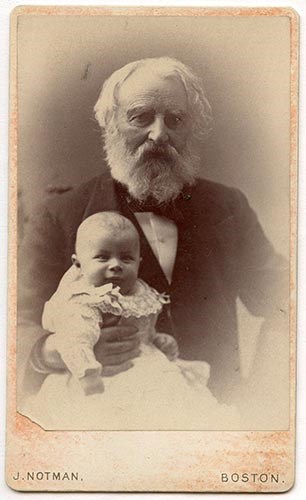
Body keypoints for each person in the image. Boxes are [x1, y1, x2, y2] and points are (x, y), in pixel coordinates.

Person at [18, 56, 288, 416]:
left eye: (175, 120)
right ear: (110, 124)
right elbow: (13, 324)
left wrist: (264, 395)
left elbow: (287, 302)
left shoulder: (227, 207)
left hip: (217, 415)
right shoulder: (59, 216)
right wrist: (59, 351)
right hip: (103, 419)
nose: (160, 134)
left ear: (191, 129)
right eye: (141, 117)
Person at [21, 212, 240, 430]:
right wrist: (87, 369)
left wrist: (157, 340)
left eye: (126, 258)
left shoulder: (139, 294)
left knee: (176, 414)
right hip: (103, 378)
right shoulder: (87, 300)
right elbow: (78, 337)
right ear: (78, 264)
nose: (116, 265)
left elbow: (144, 330)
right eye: (102, 257)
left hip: (149, 370)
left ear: (138, 262)